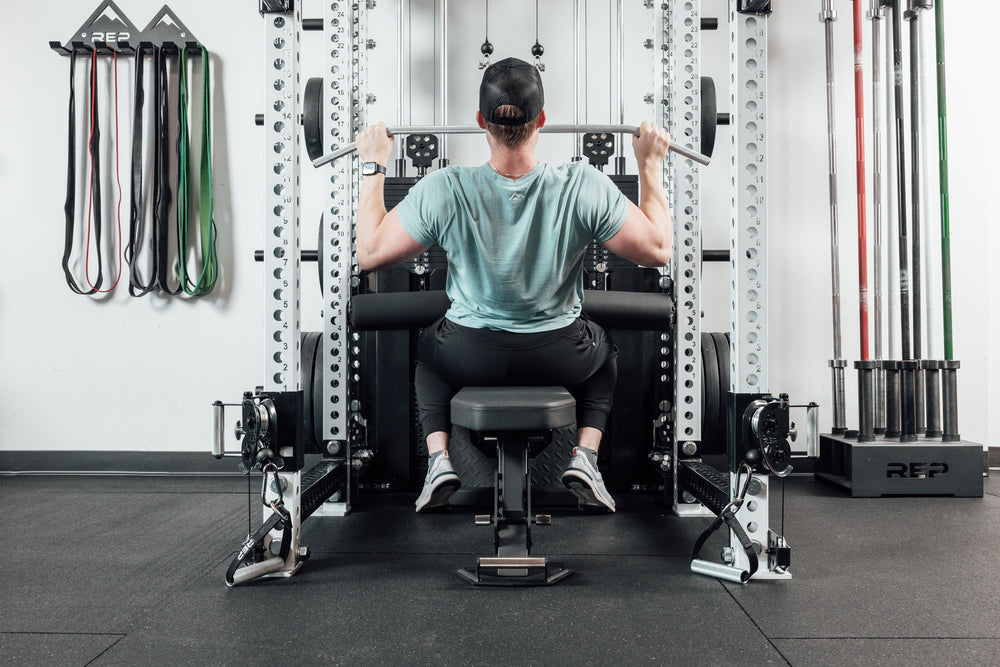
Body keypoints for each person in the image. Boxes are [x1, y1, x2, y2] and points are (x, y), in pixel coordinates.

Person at [354, 57, 672, 514]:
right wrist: (650, 165)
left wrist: (373, 165)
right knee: (604, 354)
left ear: (480, 121)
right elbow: (658, 248)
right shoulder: (583, 185)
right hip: (561, 354)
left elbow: (369, 252)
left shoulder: (445, 188)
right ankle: (585, 457)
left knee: (428, 355)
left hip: (470, 354)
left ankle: (440, 461)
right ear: (542, 120)